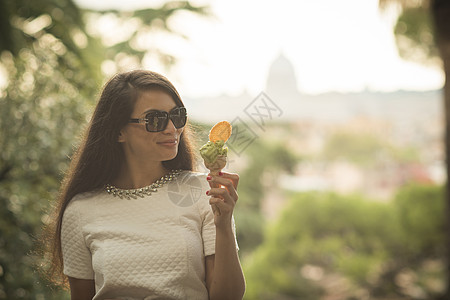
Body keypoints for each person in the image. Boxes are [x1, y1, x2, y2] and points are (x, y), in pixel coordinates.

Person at [45, 70, 245, 300]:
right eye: (155, 120)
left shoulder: (203, 192)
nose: (172, 129)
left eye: (177, 116)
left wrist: (223, 224)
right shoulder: (80, 210)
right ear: (118, 131)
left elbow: (228, 297)